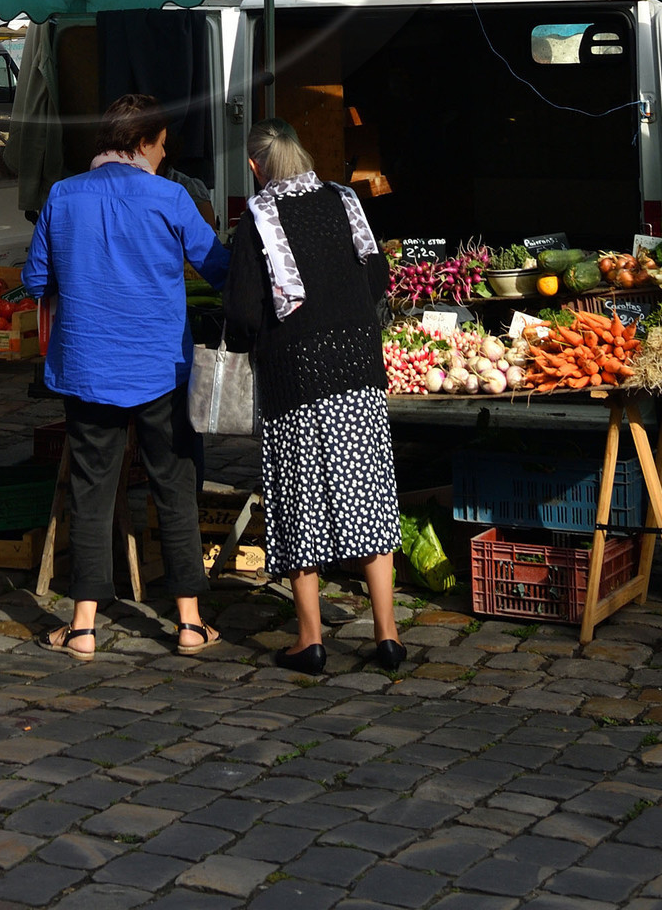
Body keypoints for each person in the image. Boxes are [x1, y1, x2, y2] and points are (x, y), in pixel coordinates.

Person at [21, 91, 230, 659]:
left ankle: (83, 626)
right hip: (162, 366)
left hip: (87, 366)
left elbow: (35, 279)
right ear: (142, 143)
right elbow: (220, 268)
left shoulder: (62, 197)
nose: (164, 156)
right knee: (175, 483)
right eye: (161, 146)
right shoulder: (171, 197)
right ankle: (189, 623)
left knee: (91, 492)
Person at [222, 119, 405, 675]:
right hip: (358, 370)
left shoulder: (257, 221)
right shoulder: (346, 200)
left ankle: (310, 639)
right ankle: (389, 635)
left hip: (295, 377)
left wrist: (235, 338)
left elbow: (244, 315)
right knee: (371, 498)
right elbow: (376, 278)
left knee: (300, 501)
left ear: (256, 167)